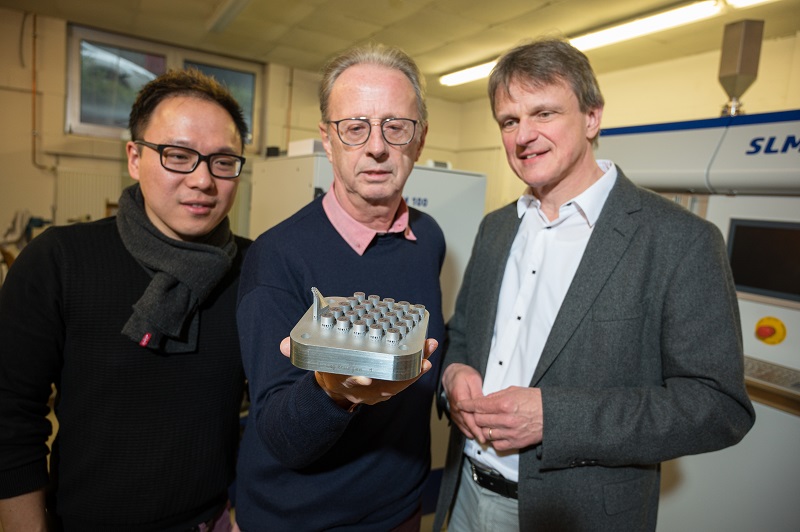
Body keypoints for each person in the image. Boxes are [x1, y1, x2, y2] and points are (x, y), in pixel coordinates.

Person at [433, 37, 756, 532]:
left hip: (578, 514)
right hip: (466, 493)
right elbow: (464, 333)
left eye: (544, 113)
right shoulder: (497, 227)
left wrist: (554, 419)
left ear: (591, 117)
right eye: (509, 121)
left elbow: (717, 407)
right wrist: (454, 374)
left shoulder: (678, 240)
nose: (524, 136)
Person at [0, 69, 251, 531]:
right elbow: (10, 417)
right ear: (134, 157)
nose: (202, 180)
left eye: (222, 161)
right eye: (178, 155)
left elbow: (269, 413)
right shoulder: (58, 260)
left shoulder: (254, 270)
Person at [235, 43, 445, 531]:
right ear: (328, 141)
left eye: (396, 126)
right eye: (354, 128)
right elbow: (281, 437)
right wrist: (333, 391)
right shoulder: (278, 257)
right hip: (304, 519)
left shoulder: (428, 237)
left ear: (420, 139)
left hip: (401, 509)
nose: (377, 147)